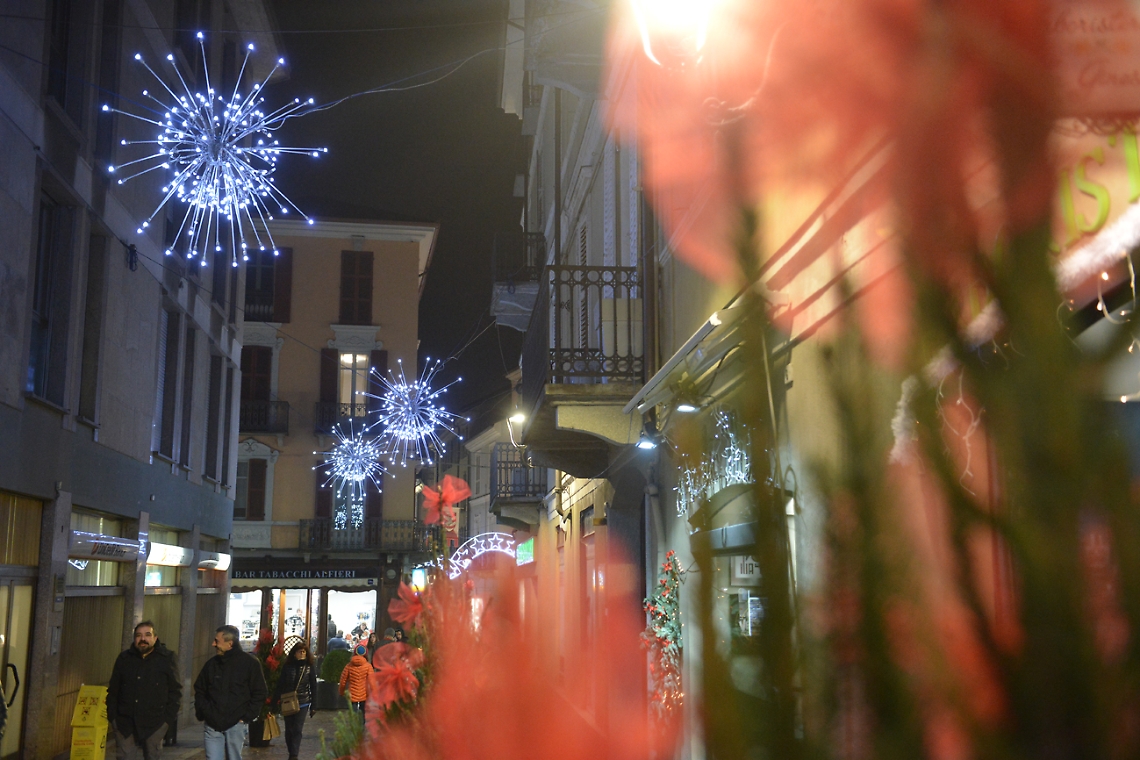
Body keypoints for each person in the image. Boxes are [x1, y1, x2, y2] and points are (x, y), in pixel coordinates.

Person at [106, 621, 181, 760]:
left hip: (155, 723)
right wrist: (113, 717)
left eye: (147, 635)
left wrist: (167, 720)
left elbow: (175, 691)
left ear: (155, 637)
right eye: (139, 635)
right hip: (125, 723)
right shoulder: (124, 659)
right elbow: (114, 690)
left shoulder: (167, 659)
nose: (143, 639)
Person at [194, 625, 267, 760]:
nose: (213, 644)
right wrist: (205, 711)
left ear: (230, 643)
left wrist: (245, 717)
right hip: (213, 723)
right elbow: (199, 689)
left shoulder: (250, 664)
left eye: (217, 641)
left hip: (236, 724)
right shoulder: (211, 665)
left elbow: (259, 692)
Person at [273, 642, 318, 760]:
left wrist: (314, 705)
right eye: (299, 651)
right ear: (294, 653)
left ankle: (294, 754)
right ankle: (291, 750)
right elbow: (280, 684)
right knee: (289, 729)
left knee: (297, 728)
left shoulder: (309, 667)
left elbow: (313, 686)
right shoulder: (287, 667)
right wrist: (275, 701)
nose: (302, 654)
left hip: (303, 701)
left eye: (304, 652)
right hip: (288, 701)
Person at [338, 644, 372, 713]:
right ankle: (362, 723)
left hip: (352, 694)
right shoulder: (368, 666)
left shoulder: (349, 666)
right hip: (364, 694)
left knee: (353, 715)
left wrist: (341, 692)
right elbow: (372, 681)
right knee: (364, 713)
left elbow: (343, 681)